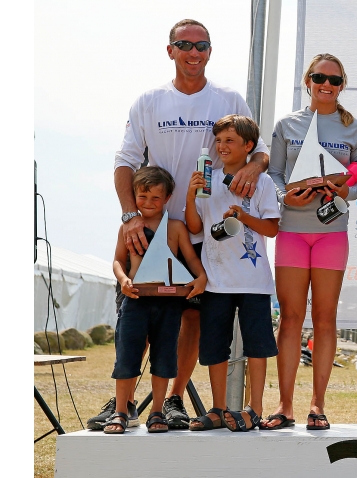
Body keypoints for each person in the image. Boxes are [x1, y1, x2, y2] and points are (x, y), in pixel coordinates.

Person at [98, 18, 271, 430]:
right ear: (170, 50)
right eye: (185, 45)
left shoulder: (229, 97)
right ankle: (123, 403)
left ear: (210, 51)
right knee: (137, 315)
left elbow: (259, 151)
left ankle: (173, 398)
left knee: (190, 318)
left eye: (202, 45)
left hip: (202, 230)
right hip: (154, 227)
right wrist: (130, 215)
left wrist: (254, 169)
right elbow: (125, 161)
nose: (194, 53)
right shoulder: (149, 101)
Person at [264, 53, 357, 431]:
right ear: (307, 80)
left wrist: (345, 194)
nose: (327, 84)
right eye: (320, 77)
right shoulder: (287, 124)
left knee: (325, 321)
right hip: (292, 230)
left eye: (335, 80)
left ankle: (318, 406)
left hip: (331, 234)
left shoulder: (354, 128)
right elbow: (274, 173)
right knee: (290, 319)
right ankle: (285, 406)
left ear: (342, 85)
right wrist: (282, 198)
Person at [184, 114, 280, 431]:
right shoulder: (206, 179)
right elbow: (196, 228)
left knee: (258, 346)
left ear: (248, 145)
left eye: (230, 141)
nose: (222, 146)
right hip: (216, 281)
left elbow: (272, 228)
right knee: (214, 347)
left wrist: (242, 215)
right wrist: (189, 196)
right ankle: (218, 409)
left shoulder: (262, 183)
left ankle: (254, 408)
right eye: (219, 140)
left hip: (254, 281)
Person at [104, 166, 207, 434]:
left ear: (167, 198)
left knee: (164, 356)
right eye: (142, 197)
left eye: (155, 198)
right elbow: (117, 260)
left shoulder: (176, 227)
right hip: (136, 299)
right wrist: (123, 279)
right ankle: (120, 411)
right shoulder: (127, 227)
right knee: (127, 355)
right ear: (134, 195)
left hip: (169, 303)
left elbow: (192, 259)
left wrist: (201, 278)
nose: (148, 204)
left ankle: (158, 410)